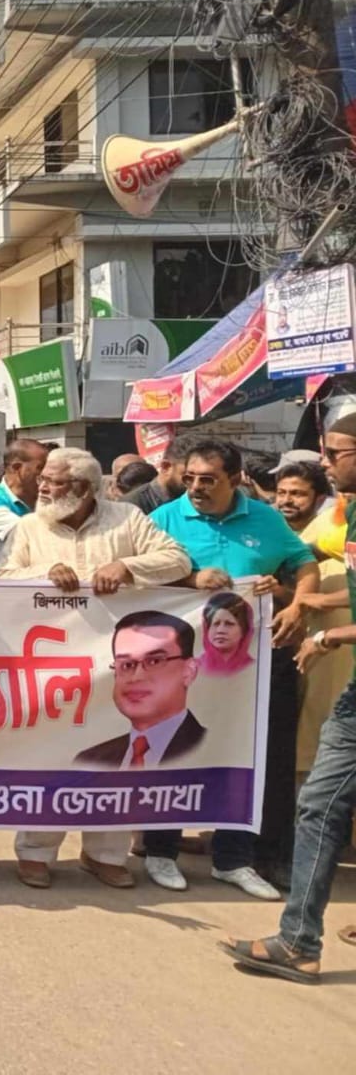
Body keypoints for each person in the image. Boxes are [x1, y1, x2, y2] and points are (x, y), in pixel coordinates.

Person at [0, 447, 191, 889]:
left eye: (54, 481)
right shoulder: (29, 527)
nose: (43, 487)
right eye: (43, 479)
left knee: (117, 758)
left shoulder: (127, 520)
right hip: (55, 668)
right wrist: (45, 572)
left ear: (83, 488)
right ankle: (36, 853)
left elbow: (177, 561)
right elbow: (3, 578)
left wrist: (126, 566)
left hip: (119, 668)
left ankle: (104, 854)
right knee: (52, 757)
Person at [148, 439, 318, 898]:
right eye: (190, 479)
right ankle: (161, 851)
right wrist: (190, 579)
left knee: (249, 753)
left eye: (208, 480)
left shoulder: (266, 518)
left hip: (253, 662)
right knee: (177, 747)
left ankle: (235, 858)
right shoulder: (164, 518)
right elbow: (139, 575)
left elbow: (304, 565)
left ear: (236, 479)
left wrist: (296, 603)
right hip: (184, 660)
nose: (196, 488)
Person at [220, 413, 356, 983]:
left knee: (318, 806)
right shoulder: (348, 516)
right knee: (319, 806)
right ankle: (299, 941)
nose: (324, 461)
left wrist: (328, 634)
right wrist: (307, 603)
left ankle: (299, 942)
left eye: (335, 452)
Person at [273, 460, 351, 782]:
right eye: (281, 492)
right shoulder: (302, 535)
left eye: (297, 493)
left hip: (337, 647)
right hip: (311, 648)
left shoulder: (333, 528)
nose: (287, 500)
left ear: (320, 498)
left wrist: (317, 600)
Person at [75, 612, 207, 767]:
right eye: (127, 664)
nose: (136, 677)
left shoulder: (219, 749)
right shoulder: (90, 760)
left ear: (189, 671)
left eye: (154, 661)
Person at [0, 439, 48, 566]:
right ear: (17, 468)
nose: (46, 473)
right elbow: (34, 536)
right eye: (40, 467)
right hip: (9, 577)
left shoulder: (41, 496)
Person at [125, 434, 198, 514]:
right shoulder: (131, 507)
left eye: (205, 477)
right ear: (166, 467)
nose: (197, 484)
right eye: (189, 477)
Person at [200, 591, 256, 675]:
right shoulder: (192, 668)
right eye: (216, 623)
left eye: (229, 624)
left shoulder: (255, 667)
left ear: (244, 630)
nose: (220, 630)